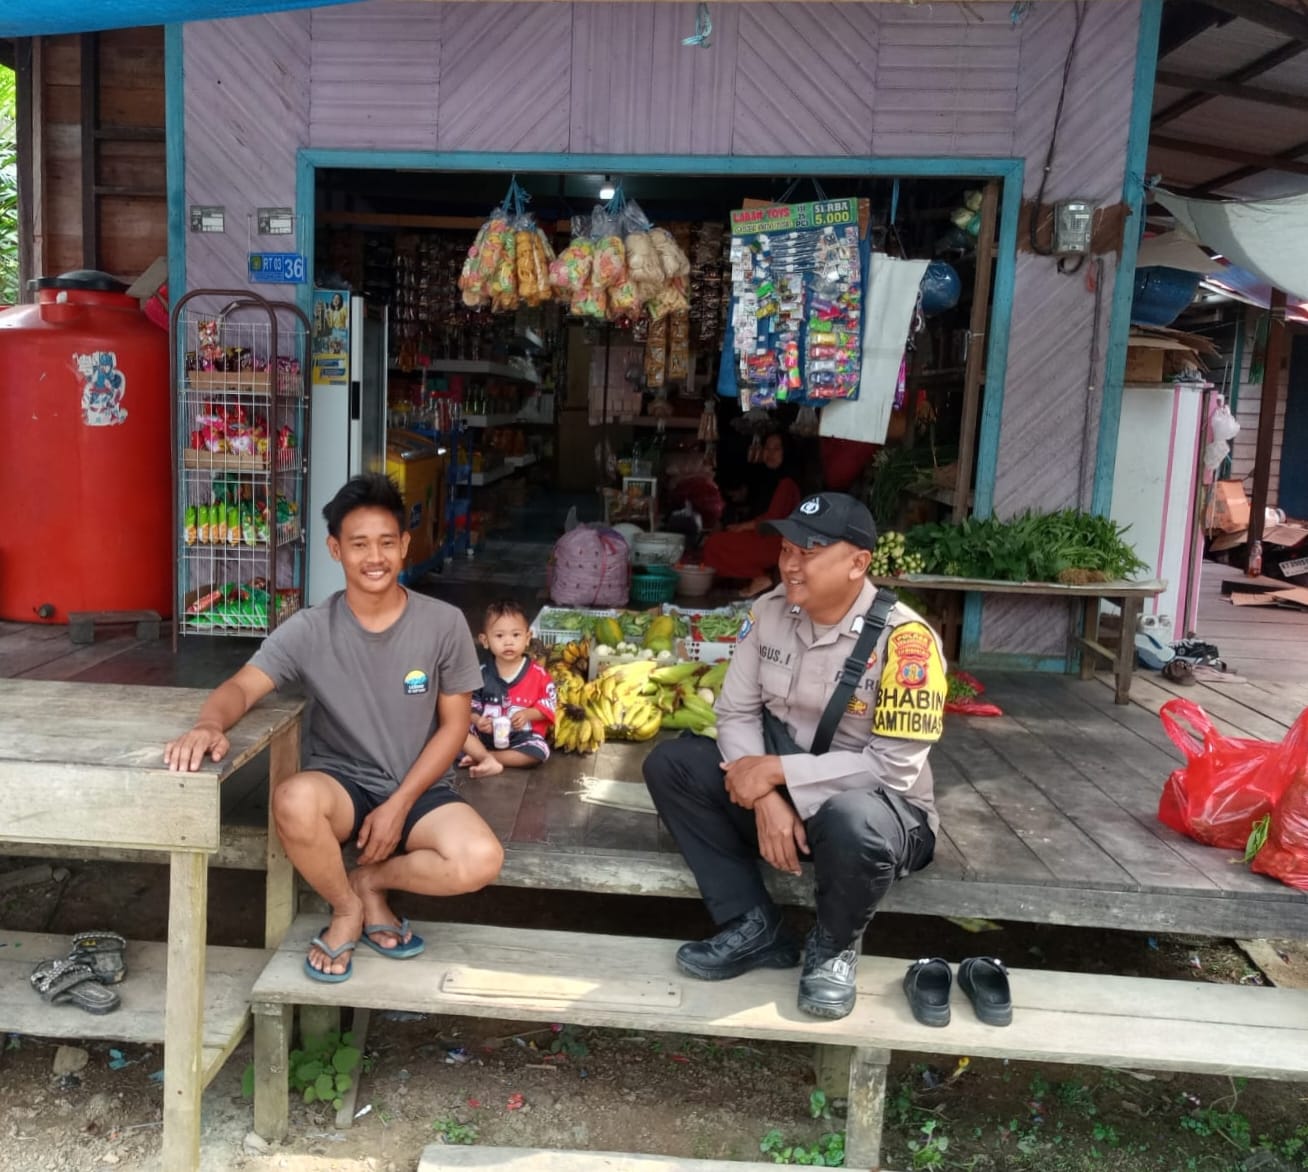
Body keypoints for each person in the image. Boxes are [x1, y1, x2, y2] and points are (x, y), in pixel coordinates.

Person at [163, 473, 503, 983]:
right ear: (335, 549)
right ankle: (346, 907)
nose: (374, 557)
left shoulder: (444, 623)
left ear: (405, 545)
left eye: (386, 542)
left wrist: (399, 805)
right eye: (359, 544)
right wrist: (208, 724)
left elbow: (455, 728)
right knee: (293, 799)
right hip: (342, 783)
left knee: (480, 860)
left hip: (421, 786)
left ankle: (370, 882)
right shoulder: (309, 628)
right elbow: (242, 687)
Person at [643, 492, 943, 1021]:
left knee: (854, 816)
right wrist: (765, 798)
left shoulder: (907, 641)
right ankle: (752, 923)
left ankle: (833, 949)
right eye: (786, 549)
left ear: (858, 563)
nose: (791, 564)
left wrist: (777, 773)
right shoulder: (767, 612)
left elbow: (893, 769)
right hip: (785, 797)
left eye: (810, 552)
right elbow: (736, 714)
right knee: (673, 766)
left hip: (878, 816)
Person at [459, 599, 557, 778]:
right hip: (484, 736)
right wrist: (478, 720)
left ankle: (487, 758)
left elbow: (549, 703)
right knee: (457, 733)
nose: (508, 642)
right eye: (499, 636)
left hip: (521, 737)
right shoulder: (481, 673)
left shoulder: (538, 674)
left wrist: (528, 714)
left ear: (528, 638)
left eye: (516, 635)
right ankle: (482, 755)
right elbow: (471, 704)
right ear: (485, 640)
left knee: (539, 751)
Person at [702, 432, 803, 597]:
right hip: (764, 535)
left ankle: (760, 577)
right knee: (719, 541)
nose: (770, 453)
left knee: (714, 544)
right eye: (767, 448)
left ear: (786, 452)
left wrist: (742, 527)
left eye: (776, 449)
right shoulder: (768, 478)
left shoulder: (787, 482)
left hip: (777, 541)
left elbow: (773, 519)